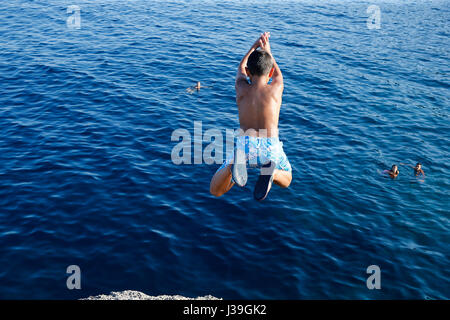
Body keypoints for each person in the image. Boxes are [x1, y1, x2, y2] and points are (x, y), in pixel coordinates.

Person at [209, 32, 292, 201]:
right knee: (287, 178)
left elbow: (241, 68)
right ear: (269, 74)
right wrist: (267, 49)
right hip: (271, 146)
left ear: (248, 72)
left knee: (215, 190)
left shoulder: (241, 88)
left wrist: (254, 46)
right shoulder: (276, 87)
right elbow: (276, 73)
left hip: (245, 145)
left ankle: (232, 166)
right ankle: (273, 173)